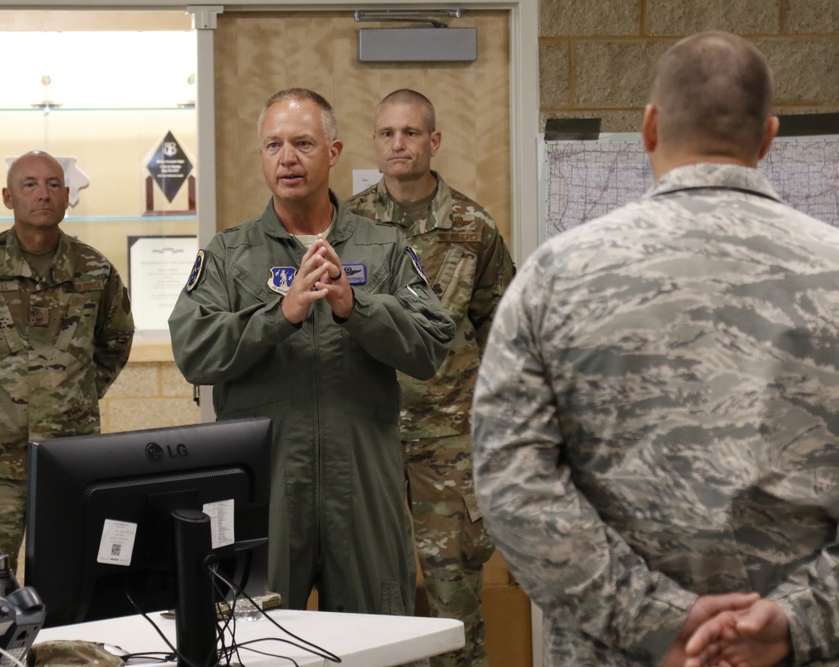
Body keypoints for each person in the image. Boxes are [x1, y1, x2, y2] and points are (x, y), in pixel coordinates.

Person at [472, 31, 839, 667]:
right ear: (768, 137)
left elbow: (511, 480)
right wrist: (795, 623)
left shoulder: (556, 275)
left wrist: (656, 622)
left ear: (648, 127)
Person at [169, 88, 455, 615]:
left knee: (378, 640)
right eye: (273, 145)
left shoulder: (384, 247)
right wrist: (280, 317)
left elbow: (433, 344)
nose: (287, 158)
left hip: (364, 488)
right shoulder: (230, 254)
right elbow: (193, 351)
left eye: (303, 142)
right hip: (268, 492)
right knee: (256, 641)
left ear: (334, 152)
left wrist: (356, 308)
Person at [346, 89, 514, 666]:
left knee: (454, 593)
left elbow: (501, 324)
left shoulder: (472, 225)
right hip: (368, 432)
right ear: (376, 143)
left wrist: (487, 419)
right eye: (388, 133)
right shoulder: (350, 223)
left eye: (411, 133)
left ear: (433, 141)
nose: (399, 144)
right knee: (373, 593)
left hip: (447, 439)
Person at [0, 150, 134, 566]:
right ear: (7, 197)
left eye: (53, 185)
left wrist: (83, 388)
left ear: (67, 196)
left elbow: (117, 337)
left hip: (70, 459)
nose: (43, 195)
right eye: (29, 185)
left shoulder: (94, 269)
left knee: (71, 577)